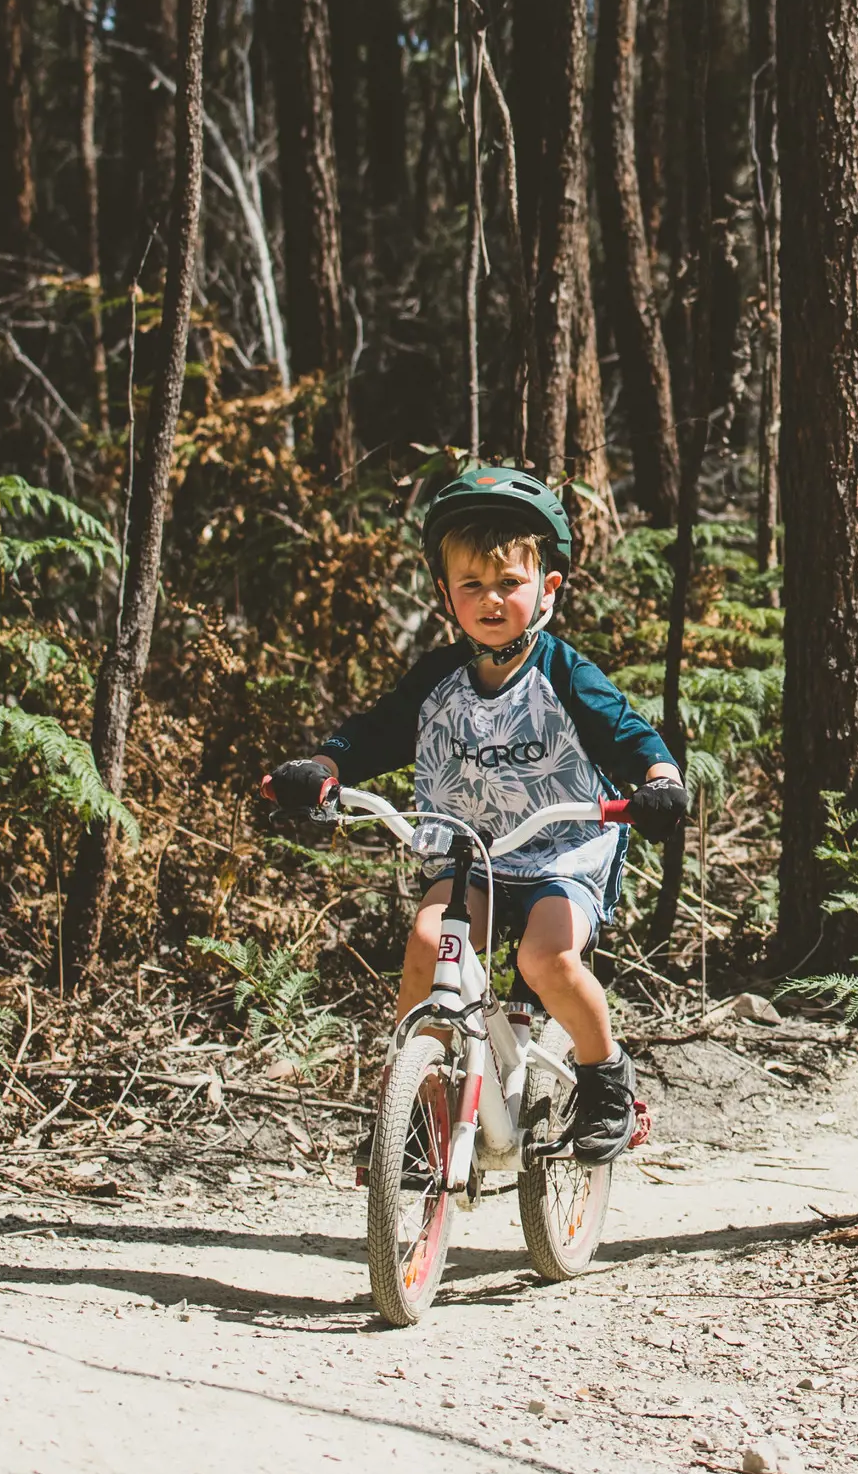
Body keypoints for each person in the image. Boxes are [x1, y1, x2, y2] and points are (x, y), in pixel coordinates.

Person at [259, 465, 688, 1162]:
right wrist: (324, 770)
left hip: (560, 847)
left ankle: (606, 1075)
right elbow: (374, 733)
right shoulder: (437, 677)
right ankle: (414, 1110)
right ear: (444, 593)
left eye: (509, 583)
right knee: (428, 946)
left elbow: (631, 735)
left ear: (547, 587)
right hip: (469, 849)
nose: (490, 600)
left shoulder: (563, 673)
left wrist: (659, 778)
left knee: (544, 958)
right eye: (471, 585)